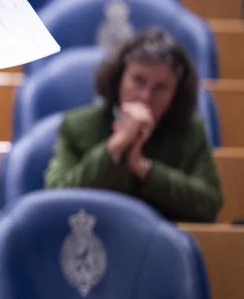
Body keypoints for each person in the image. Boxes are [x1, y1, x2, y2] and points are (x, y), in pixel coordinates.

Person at [44, 28, 223, 222]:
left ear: (176, 93)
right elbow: (56, 196)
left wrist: (145, 169)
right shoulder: (77, 127)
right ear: (119, 78)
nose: (146, 97)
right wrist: (114, 148)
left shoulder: (189, 132)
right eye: (139, 81)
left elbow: (210, 203)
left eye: (160, 88)